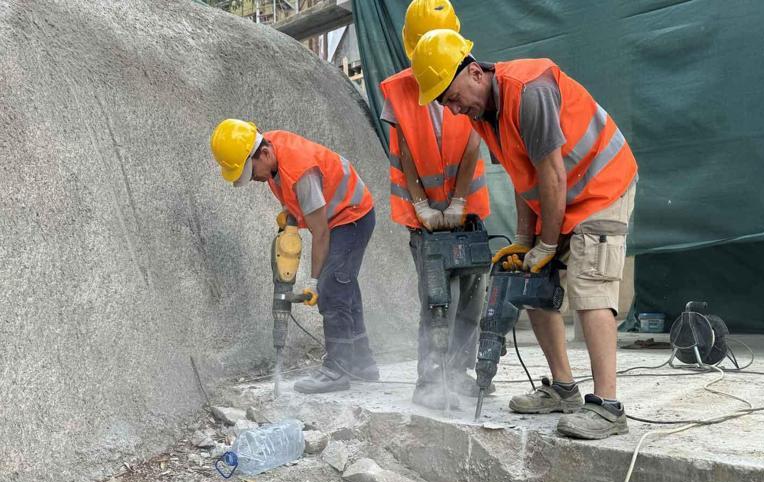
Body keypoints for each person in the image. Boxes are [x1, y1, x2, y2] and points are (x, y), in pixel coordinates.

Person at [411, 30, 638, 438]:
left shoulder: (528, 91)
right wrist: (525, 241)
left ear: (475, 72)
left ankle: (608, 408)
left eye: (452, 97)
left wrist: (548, 243)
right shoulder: (484, 115)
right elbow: (523, 176)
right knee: (531, 280)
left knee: (590, 286)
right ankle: (564, 389)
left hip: (601, 183)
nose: (453, 109)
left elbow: (551, 172)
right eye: (445, 104)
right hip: (561, 193)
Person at [210, 119, 378, 393]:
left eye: (251, 173)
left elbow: (320, 233)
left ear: (263, 154)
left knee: (332, 287)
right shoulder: (270, 150)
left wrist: (313, 283)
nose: (253, 179)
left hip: (352, 216)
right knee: (344, 283)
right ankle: (362, 362)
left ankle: (337, 370)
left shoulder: (300, 173)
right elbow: (297, 200)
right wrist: (291, 216)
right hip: (339, 215)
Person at [379, 0, 491, 409]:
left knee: (471, 296)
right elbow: (405, 149)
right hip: (422, 215)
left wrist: (459, 199)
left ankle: (457, 375)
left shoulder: (470, 83)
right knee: (436, 297)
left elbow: (474, 139)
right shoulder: (400, 89)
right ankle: (430, 379)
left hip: (468, 211)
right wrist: (423, 205)